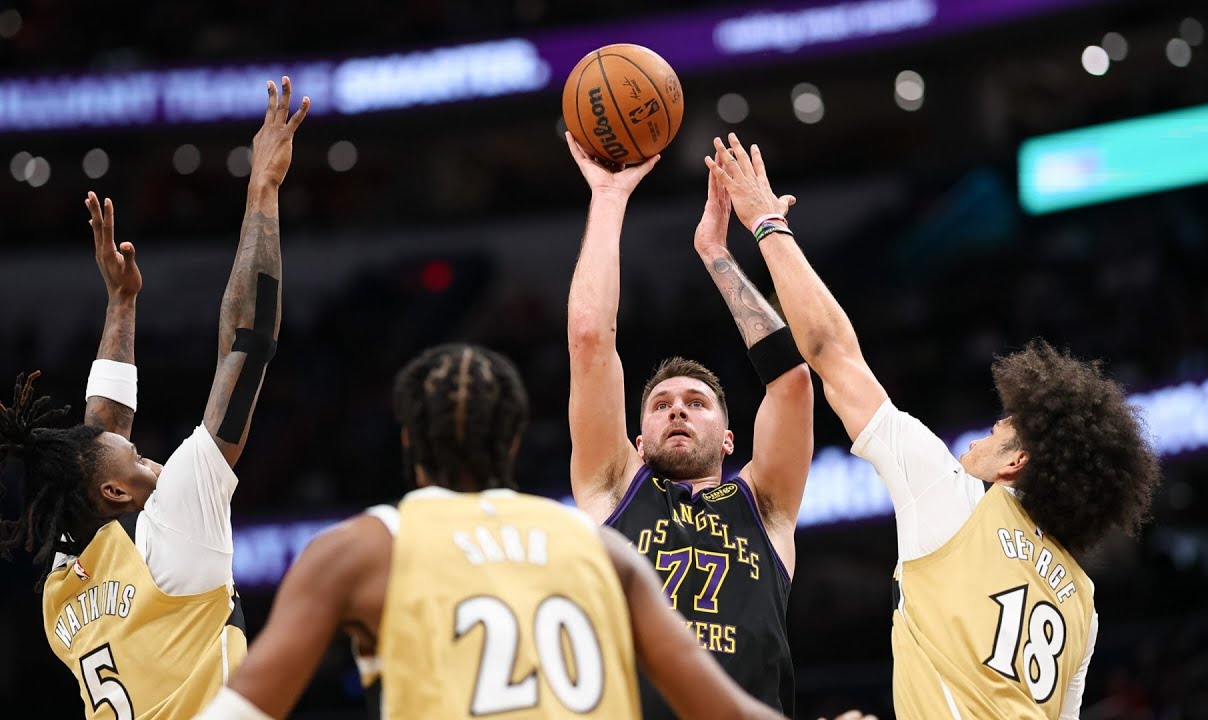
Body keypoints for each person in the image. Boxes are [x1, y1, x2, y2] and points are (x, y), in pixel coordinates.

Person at [706, 133, 1162, 719]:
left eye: (1005, 428)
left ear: (1016, 464)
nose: (989, 429)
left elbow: (831, 352)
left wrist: (766, 223)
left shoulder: (955, 497)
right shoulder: (1083, 604)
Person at [195, 343, 785, 720]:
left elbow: (244, 711)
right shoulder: (601, 550)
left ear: (407, 440)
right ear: (515, 443)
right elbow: (723, 708)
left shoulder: (362, 549)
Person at [0, 77, 308, 719]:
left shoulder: (63, 592)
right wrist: (263, 191)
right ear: (114, 494)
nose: (156, 465)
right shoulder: (174, 527)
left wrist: (122, 303)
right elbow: (247, 343)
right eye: (141, 463)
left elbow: (98, 438)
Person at [563, 134, 814, 718]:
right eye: (661, 404)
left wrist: (718, 255)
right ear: (637, 440)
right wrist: (607, 195)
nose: (677, 409)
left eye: (698, 403)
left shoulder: (766, 505)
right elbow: (589, 340)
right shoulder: (612, 488)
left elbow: (791, 381)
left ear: (730, 440)